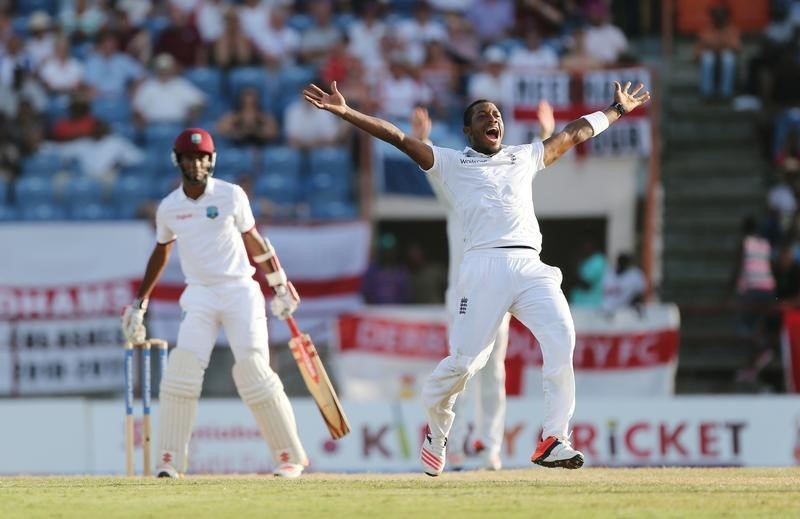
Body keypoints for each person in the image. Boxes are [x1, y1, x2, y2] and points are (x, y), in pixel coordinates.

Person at [302, 78, 650, 475]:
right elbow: (397, 136)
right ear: (468, 131)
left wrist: (616, 110)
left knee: (561, 337)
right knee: (465, 365)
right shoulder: (452, 162)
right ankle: (437, 427)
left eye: (497, 114)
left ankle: (554, 438)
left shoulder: (523, 156)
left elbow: (571, 134)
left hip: (531, 266)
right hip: (483, 268)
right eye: (483, 115)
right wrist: (347, 112)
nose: (493, 118)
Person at [120, 128, 308, 478]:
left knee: (254, 370)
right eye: (190, 158)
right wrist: (139, 302)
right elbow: (161, 251)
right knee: (181, 372)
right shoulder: (170, 208)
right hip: (200, 294)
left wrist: (279, 284)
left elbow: (254, 241)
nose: (197, 164)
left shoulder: (231, 195)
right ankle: (170, 461)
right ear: (178, 161)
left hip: (239, 290)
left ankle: (288, 457)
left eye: (203, 157)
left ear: (212, 160)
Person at [411, 101, 555, 471]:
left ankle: (490, 448)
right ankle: (453, 444)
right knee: (463, 366)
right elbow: (434, 170)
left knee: (494, 371)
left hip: (502, 283)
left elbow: (534, 165)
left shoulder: (504, 179)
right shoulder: (457, 186)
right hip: (464, 290)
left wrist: (543, 136)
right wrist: (421, 141)